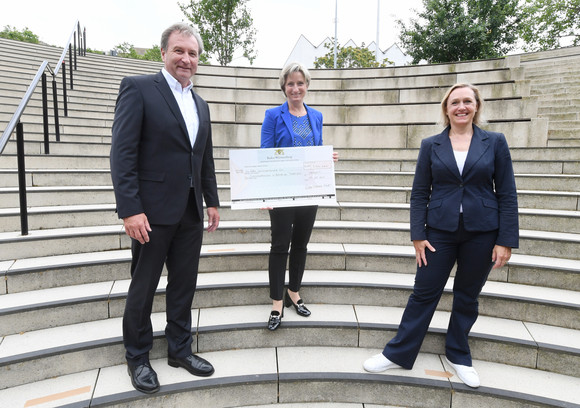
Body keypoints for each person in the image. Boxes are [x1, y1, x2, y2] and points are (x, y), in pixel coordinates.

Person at [363, 83, 519, 388]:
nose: (461, 107)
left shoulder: (495, 142)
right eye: (455, 102)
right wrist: (417, 235)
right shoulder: (431, 144)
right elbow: (420, 192)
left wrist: (505, 239)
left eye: (467, 102)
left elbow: (507, 192)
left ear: (477, 106)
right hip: (438, 232)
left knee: (467, 295)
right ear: (446, 109)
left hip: (483, 232)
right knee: (423, 292)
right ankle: (399, 352)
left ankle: (458, 355)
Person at [110, 22, 220, 394]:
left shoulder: (200, 104)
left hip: (190, 211)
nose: (186, 59)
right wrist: (130, 209)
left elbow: (203, 158)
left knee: (184, 285)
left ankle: (179, 350)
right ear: (163, 53)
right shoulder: (139, 89)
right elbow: (122, 154)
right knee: (144, 286)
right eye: (179, 51)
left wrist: (213, 200)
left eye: (192, 53)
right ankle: (137, 356)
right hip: (151, 213)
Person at [260, 62, 338, 331]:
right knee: (280, 245)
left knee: (301, 244)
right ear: (284, 86)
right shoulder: (273, 115)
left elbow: (316, 151)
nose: (296, 88)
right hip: (282, 192)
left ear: (307, 86)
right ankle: (276, 302)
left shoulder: (316, 116)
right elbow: (265, 154)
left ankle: (294, 292)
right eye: (291, 83)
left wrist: (327, 158)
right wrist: (265, 194)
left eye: (300, 83)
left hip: (309, 190)